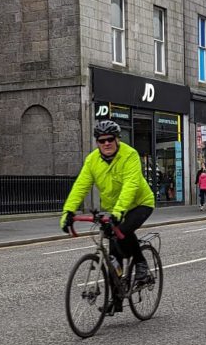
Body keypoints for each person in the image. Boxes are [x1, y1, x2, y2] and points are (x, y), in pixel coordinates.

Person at [61, 119, 156, 288]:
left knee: (123, 231)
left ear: (118, 139)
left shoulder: (130, 155)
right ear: (97, 142)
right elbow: (81, 186)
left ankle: (141, 265)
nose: (106, 143)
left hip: (140, 203)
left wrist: (119, 212)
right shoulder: (92, 160)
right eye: (101, 140)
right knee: (113, 250)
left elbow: (130, 185)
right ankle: (117, 296)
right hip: (114, 209)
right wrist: (68, 212)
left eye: (110, 139)